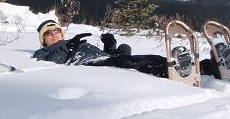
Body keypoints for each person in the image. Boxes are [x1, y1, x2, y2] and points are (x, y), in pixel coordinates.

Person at [33, 20, 169, 78]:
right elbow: (44, 60)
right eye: (48, 33)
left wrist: (109, 45)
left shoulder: (73, 41)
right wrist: (66, 48)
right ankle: (162, 72)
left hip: (103, 58)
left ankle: (170, 63)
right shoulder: (45, 51)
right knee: (127, 61)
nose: (54, 34)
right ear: (43, 39)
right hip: (87, 64)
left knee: (130, 52)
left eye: (56, 30)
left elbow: (103, 55)